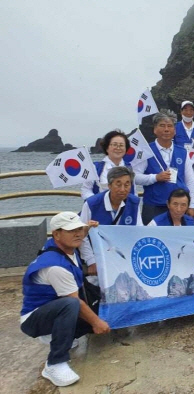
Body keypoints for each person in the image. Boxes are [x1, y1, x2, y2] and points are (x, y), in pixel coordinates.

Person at [20, 212, 110, 387]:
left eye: (79, 229)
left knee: (95, 312)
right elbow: (75, 302)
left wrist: (88, 228)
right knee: (72, 305)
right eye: (71, 231)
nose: (77, 234)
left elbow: (78, 235)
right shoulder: (56, 267)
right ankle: (55, 363)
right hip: (34, 318)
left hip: (52, 308)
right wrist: (97, 322)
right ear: (56, 234)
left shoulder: (65, 247)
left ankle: (58, 334)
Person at [133, 110, 194, 224]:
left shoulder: (182, 152)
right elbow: (135, 177)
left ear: (175, 130)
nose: (166, 129)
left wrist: (191, 205)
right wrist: (155, 177)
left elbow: (190, 181)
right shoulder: (146, 151)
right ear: (155, 129)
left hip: (178, 207)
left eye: (170, 126)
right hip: (154, 206)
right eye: (162, 126)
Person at [79, 166, 141, 276]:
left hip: (123, 255)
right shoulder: (91, 204)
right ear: (109, 185)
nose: (123, 189)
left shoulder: (134, 203)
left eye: (127, 185)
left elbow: (139, 231)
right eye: (118, 184)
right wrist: (91, 261)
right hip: (97, 255)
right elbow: (82, 234)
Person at [81, 130, 135, 199]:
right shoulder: (95, 168)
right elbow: (85, 190)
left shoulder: (130, 168)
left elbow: (133, 192)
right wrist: (97, 202)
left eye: (121, 145)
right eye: (114, 145)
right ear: (107, 147)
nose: (118, 148)